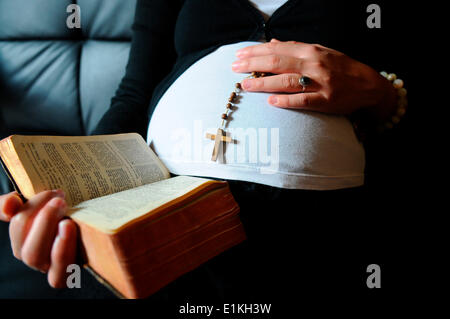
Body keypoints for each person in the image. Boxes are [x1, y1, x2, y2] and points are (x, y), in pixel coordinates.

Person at [0, 0, 406, 301]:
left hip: (321, 218)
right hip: (162, 206)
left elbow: (395, 96)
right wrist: (72, 187)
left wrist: (381, 92)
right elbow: (133, 96)